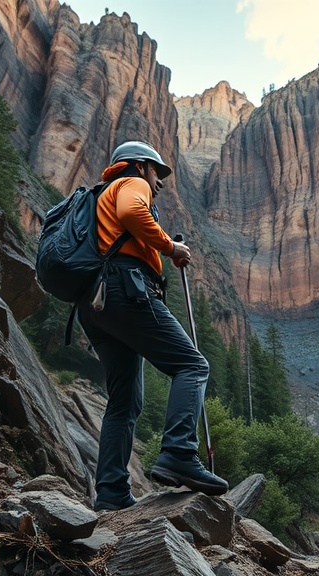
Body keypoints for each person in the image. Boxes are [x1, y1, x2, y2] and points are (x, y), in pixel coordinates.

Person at [78, 140, 228, 511]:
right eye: (156, 171)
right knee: (192, 365)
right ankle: (179, 452)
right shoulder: (132, 183)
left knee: (124, 401)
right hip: (125, 290)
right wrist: (170, 248)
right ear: (138, 165)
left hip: (94, 303)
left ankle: (111, 493)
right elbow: (133, 213)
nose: (159, 181)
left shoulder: (99, 196)